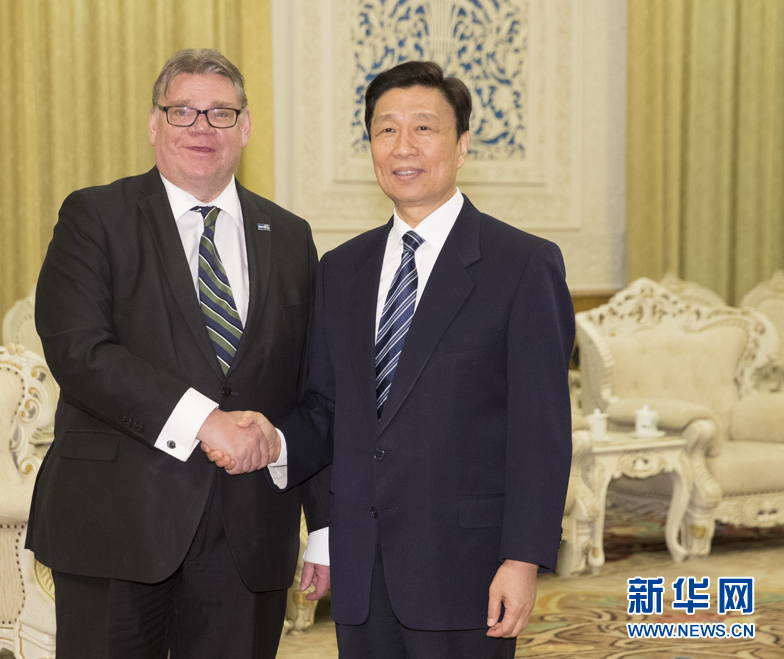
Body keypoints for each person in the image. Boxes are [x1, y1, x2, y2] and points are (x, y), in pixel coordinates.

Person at [207, 60, 575, 658]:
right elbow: (328, 408)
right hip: (362, 567)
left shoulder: (522, 264)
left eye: (424, 128)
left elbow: (542, 432)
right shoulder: (342, 269)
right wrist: (277, 443)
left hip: (467, 566)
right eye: (386, 130)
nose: (403, 146)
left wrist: (523, 559)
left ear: (462, 145)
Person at [26, 48, 329, 659]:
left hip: (249, 535)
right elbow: (79, 350)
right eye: (182, 110)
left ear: (245, 127)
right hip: (118, 524)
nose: (201, 127)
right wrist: (204, 421)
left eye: (220, 113)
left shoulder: (291, 236)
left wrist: (323, 526)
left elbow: (313, 386)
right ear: (153, 123)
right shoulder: (95, 216)